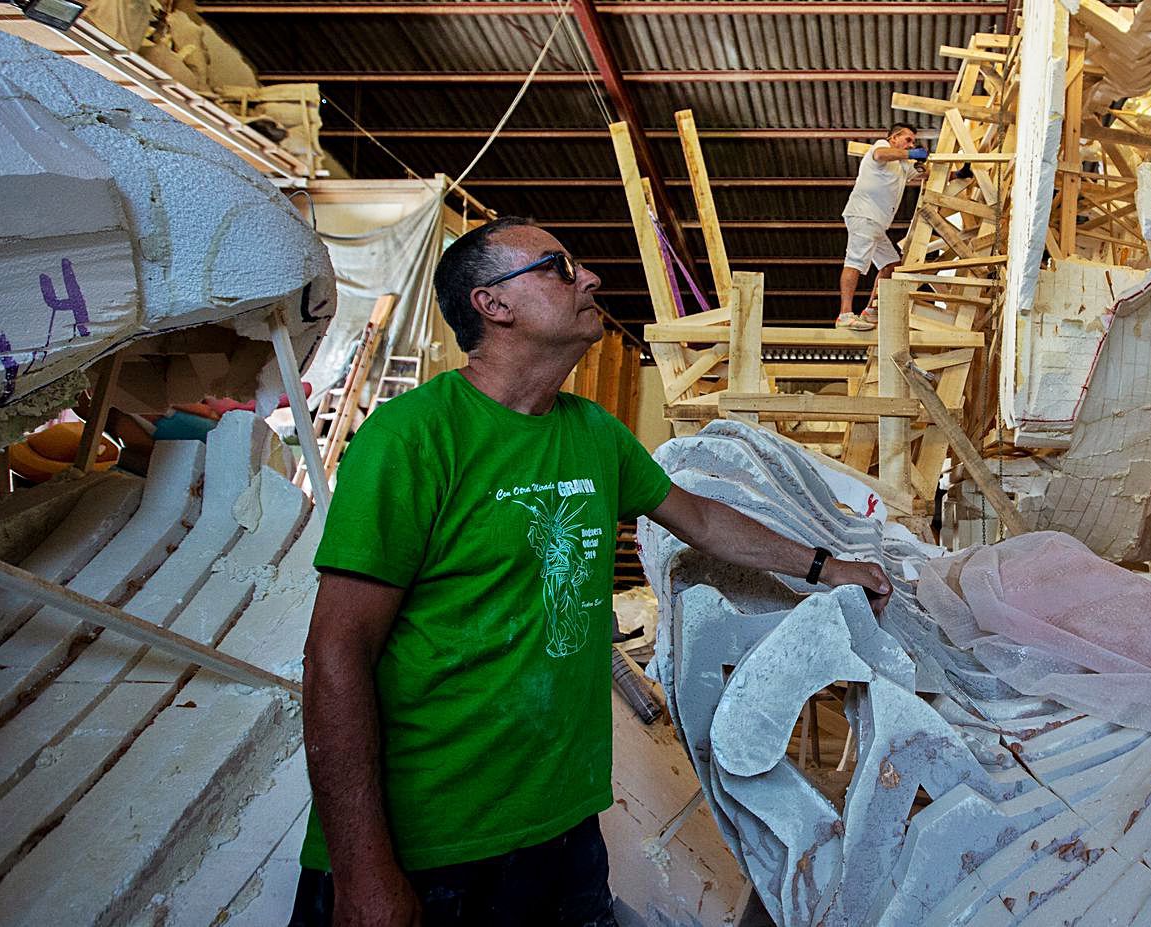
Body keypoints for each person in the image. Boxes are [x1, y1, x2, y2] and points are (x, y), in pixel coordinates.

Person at [291, 217, 893, 927]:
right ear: (493, 304)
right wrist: (364, 873)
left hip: (564, 825)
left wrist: (826, 566)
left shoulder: (593, 432)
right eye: (557, 266)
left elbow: (699, 520)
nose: (590, 278)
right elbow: (335, 653)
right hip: (431, 840)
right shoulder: (412, 437)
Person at [836, 122, 926, 331]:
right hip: (864, 215)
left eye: (913, 141)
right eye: (907, 139)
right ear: (893, 138)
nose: (911, 144)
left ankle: (870, 311)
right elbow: (880, 155)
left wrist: (957, 175)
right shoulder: (880, 148)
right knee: (855, 262)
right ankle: (845, 314)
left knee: (891, 265)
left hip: (876, 224)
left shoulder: (902, 166)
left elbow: (926, 175)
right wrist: (911, 153)